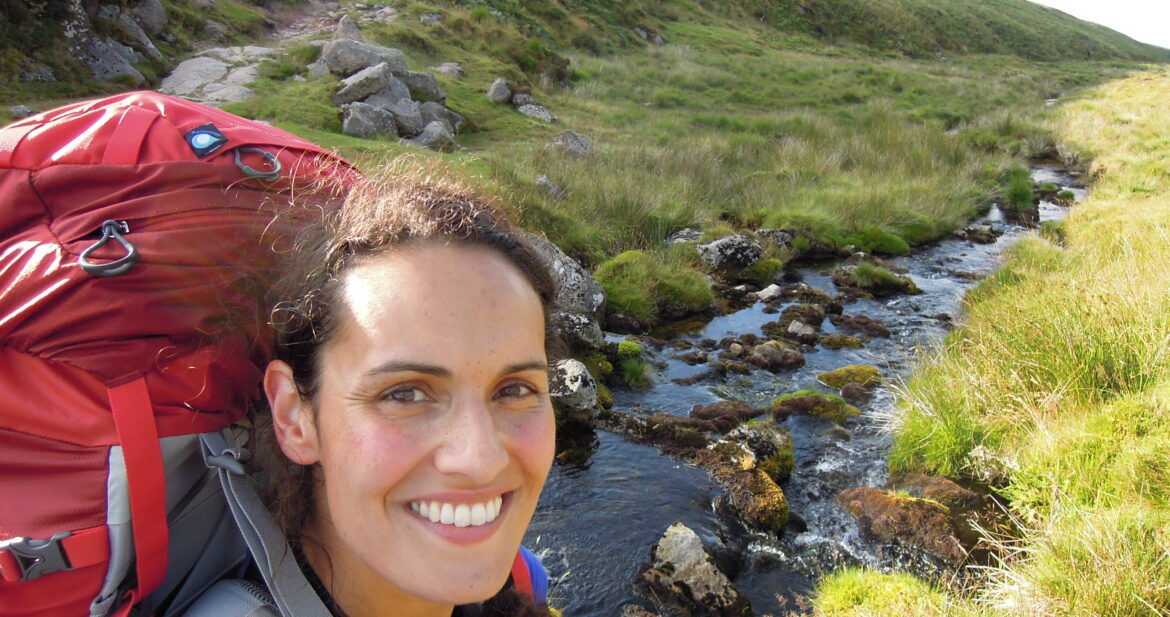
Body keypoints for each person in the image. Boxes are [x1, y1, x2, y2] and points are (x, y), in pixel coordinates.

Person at [250, 161, 560, 617]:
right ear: (294, 416)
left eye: (514, 389)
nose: (480, 460)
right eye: (405, 394)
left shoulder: (523, 579)